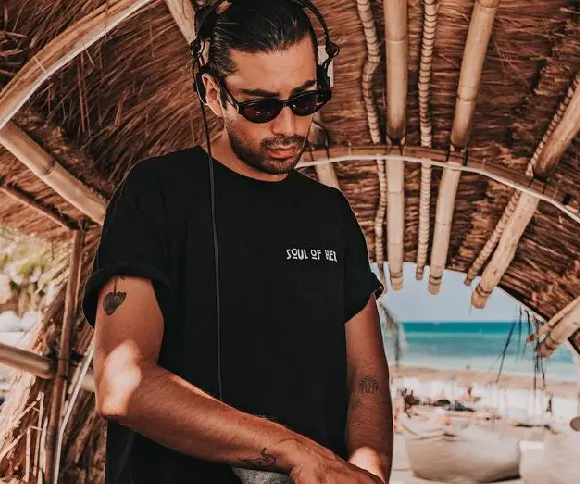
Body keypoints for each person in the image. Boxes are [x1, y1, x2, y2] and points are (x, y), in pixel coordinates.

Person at [80, 1, 391, 483]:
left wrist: (365, 471)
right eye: (261, 106)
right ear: (212, 93)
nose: (288, 127)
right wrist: (295, 453)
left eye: (306, 100)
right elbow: (123, 383)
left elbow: (366, 378)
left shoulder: (331, 214)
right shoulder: (156, 193)